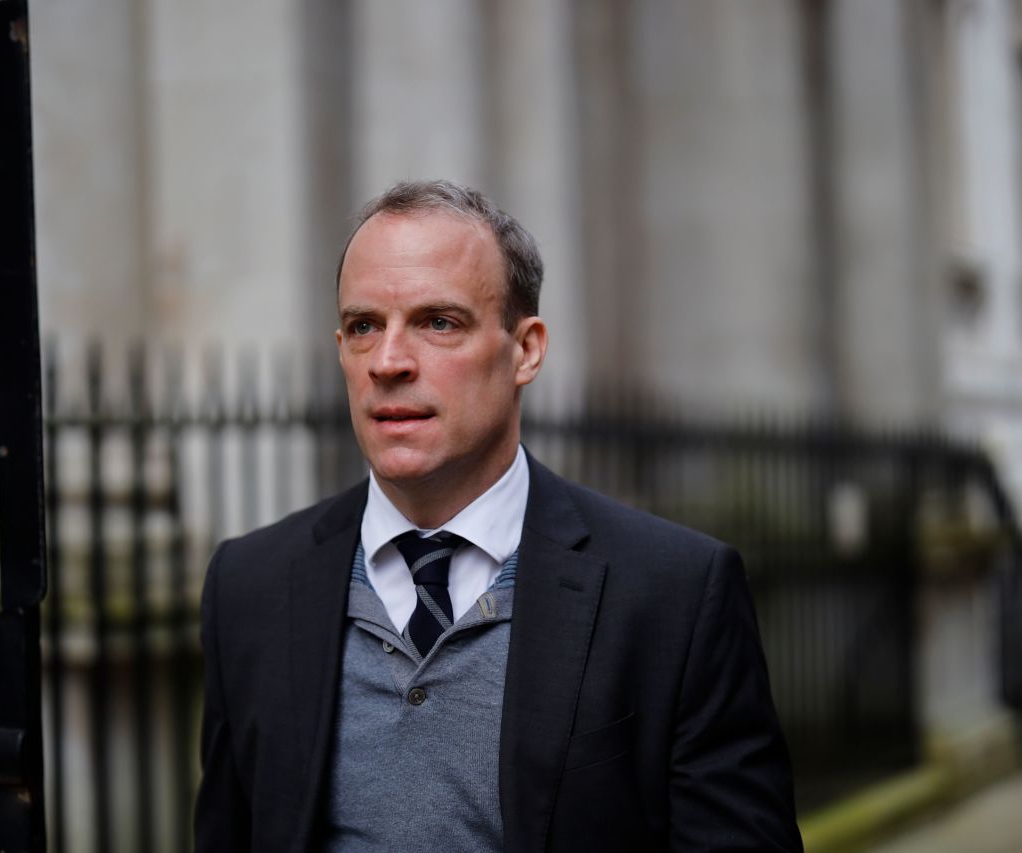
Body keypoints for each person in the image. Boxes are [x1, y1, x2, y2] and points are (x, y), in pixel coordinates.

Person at [194, 179, 803, 852]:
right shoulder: (248, 585)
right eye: (365, 326)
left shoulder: (674, 593)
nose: (390, 361)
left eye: (438, 322)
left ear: (526, 350)